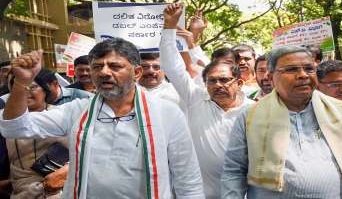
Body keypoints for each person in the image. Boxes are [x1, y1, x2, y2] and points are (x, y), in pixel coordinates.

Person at [0, 39, 204, 199]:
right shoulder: (77, 110)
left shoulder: (166, 112)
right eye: (97, 66)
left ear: (137, 72)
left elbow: (187, 176)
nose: (104, 72)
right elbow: (14, 128)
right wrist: (21, 84)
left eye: (115, 66)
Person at [221, 45, 342, 198]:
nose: (303, 75)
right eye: (292, 69)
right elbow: (234, 170)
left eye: (309, 69)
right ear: (271, 77)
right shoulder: (250, 116)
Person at [161, 3, 253, 198]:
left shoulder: (253, 110)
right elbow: (173, 67)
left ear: (239, 83)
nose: (218, 85)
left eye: (224, 80)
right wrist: (169, 27)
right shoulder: (195, 99)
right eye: (211, 81)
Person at [6, 69, 68, 199]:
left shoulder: (63, 115)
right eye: (19, 88)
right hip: (20, 191)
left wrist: (66, 171)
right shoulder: (6, 120)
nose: (25, 92)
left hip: (59, 190)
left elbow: (85, 151)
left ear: (45, 90)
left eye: (32, 87)